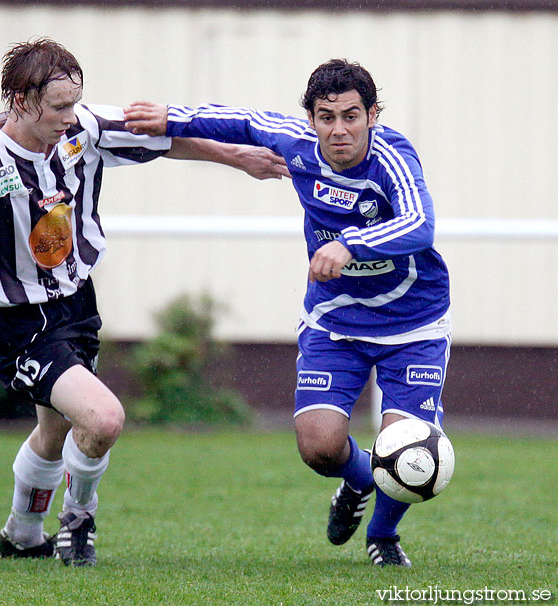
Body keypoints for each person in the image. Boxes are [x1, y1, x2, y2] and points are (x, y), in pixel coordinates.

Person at [0, 37, 289, 568]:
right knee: (104, 418)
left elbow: (164, 139)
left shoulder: (81, 129)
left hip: (77, 306)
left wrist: (235, 156)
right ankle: (79, 522)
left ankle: (20, 533)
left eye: (75, 102)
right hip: (22, 323)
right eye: (59, 106)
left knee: (56, 429)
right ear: (21, 101)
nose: (71, 116)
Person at [125, 59, 451, 568]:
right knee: (319, 446)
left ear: (372, 115)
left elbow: (420, 224)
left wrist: (351, 244)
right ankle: (360, 481)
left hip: (414, 323)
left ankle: (383, 538)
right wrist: (170, 116)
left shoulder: (393, 157)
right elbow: (239, 121)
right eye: (326, 117)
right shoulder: (296, 143)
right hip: (336, 321)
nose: (339, 129)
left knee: (408, 444)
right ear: (311, 117)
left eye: (351, 116)